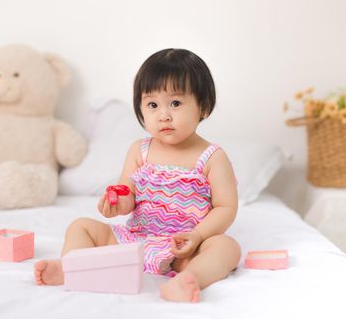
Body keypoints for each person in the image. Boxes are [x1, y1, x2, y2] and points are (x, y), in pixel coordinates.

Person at [34, 48, 241, 303]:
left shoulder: (212, 157)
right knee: (81, 227)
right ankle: (72, 269)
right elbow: (127, 192)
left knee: (226, 247)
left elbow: (225, 207)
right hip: (134, 242)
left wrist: (197, 236)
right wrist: (117, 204)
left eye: (175, 103)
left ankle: (188, 280)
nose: (163, 115)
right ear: (141, 109)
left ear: (204, 106)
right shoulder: (139, 151)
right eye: (152, 104)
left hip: (183, 247)